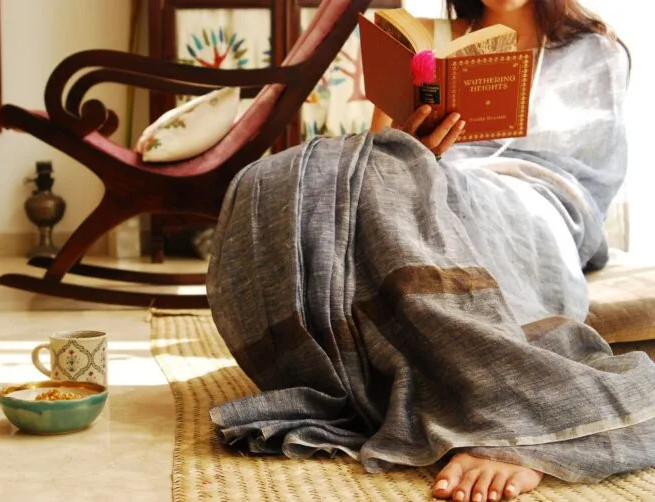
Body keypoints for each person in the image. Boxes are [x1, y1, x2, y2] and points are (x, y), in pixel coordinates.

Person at [206, 1, 655, 501]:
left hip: (537, 198)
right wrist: (412, 146)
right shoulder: (425, 39)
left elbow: (589, 176)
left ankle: (518, 423)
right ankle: (340, 357)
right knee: (289, 177)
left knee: (432, 189)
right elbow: (374, 158)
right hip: (434, 171)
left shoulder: (594, 50)